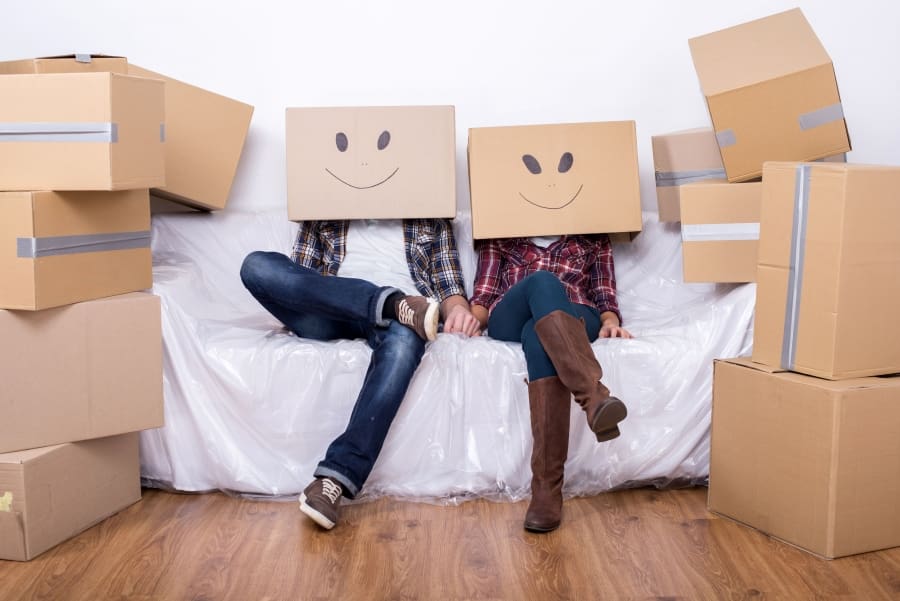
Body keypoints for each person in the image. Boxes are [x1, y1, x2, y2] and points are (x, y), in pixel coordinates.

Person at [240, 218, 481, 530]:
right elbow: (298, 278)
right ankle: (389, 302)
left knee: (403, 347)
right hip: (332, 310)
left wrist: (460, 311)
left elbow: (449, 288)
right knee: (256, 265)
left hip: (408, 319)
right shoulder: (325, 206)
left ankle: (334, 480)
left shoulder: (430, 211)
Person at [469, 233, 631, 533]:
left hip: (576, 312)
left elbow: (603, 293)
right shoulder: (499, 226)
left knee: (539, 335)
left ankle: (546, 489)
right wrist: (470, 319)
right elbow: (484, 295)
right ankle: (593, 397)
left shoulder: (593, 232)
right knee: (542, 281)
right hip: (511, 313)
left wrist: (610, 321)